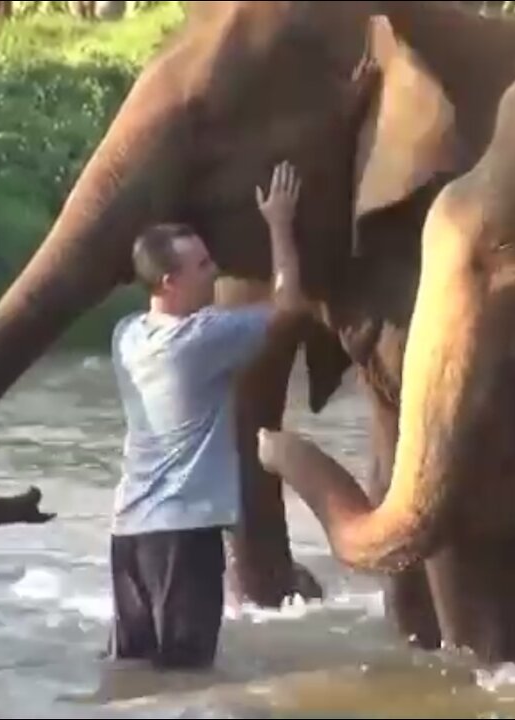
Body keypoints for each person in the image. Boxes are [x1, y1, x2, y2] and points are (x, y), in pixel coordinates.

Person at [104, 160, 307, 670]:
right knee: (187, 674)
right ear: (169, 283)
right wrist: (280, 224)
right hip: (183, 538)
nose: (215, 272)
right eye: (201, 268)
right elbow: (287, 307)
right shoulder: (200, 341)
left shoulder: (126, 334)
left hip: (127, 534)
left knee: (133, 672)